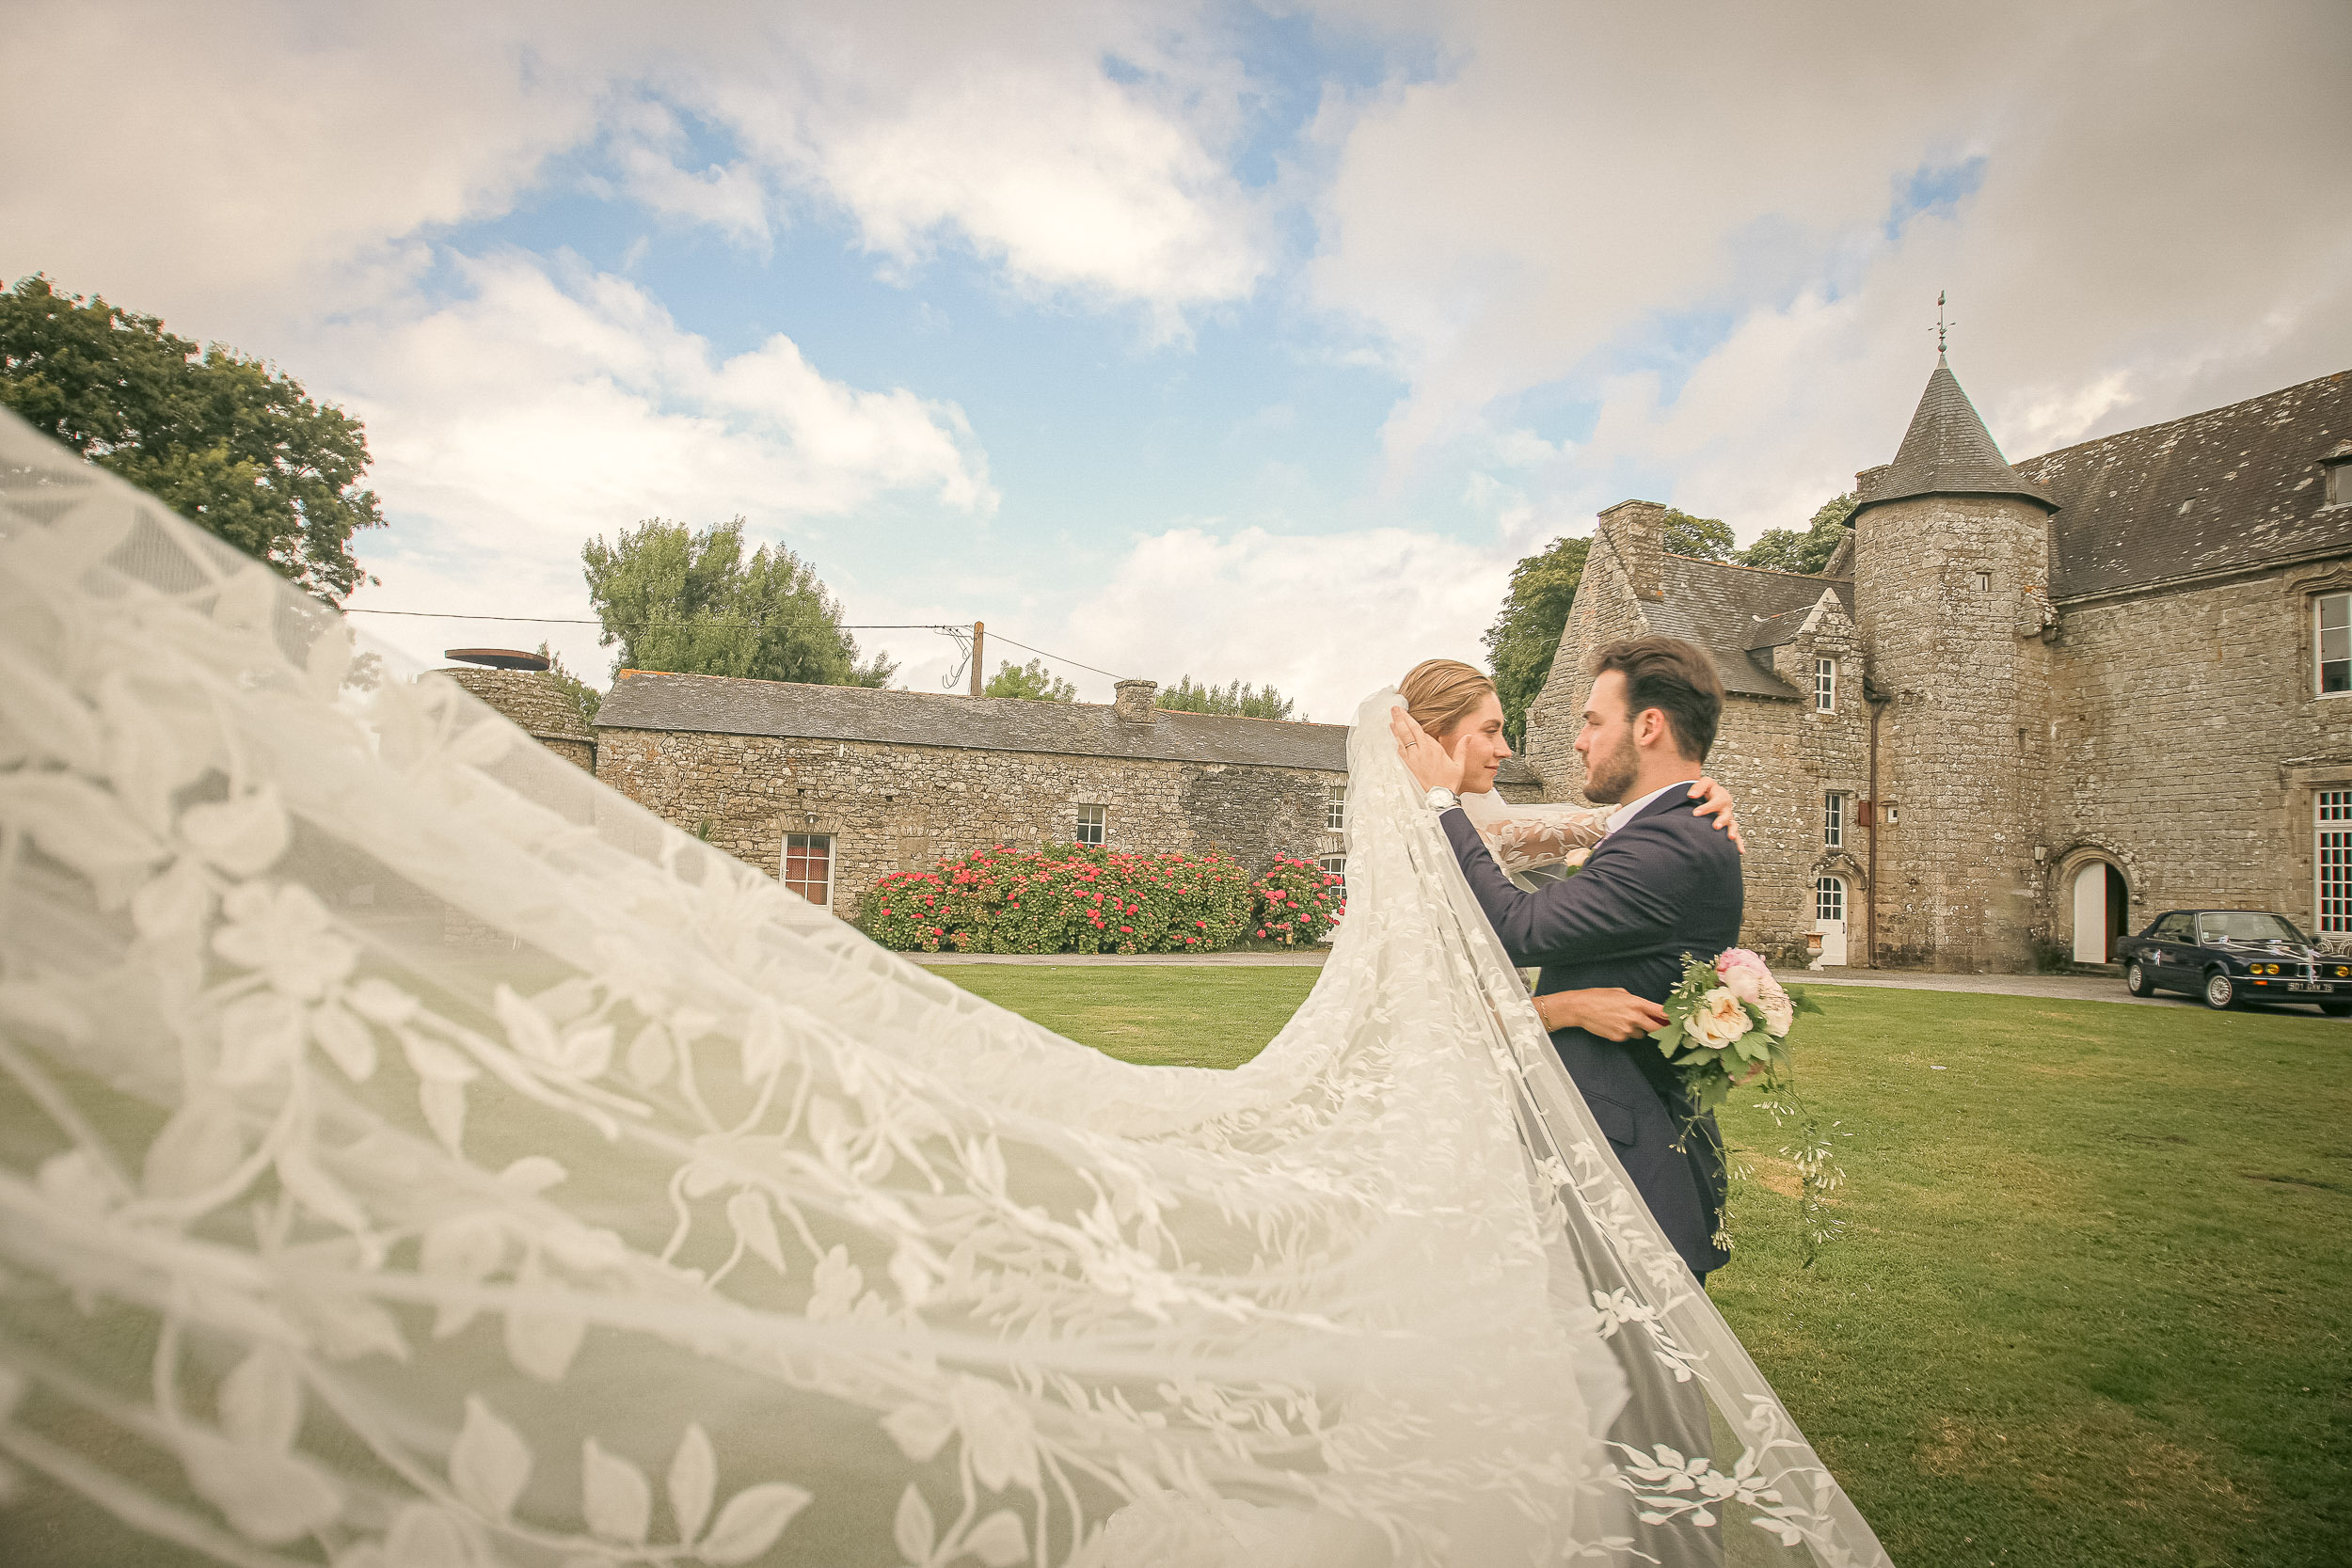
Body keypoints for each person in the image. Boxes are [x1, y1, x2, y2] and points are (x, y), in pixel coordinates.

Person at [0, 411, 1888, 1566]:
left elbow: (1525, 908)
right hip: (1563, 1099)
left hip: (1610, 1132)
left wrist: (1515, 873)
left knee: (1621, 1368)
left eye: (1579, 718)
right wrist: (1541, 909)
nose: (1551, 734)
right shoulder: (1653, 815)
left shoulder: (1687, 825)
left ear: (1650, 724)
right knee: (1594, 1368)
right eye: (1520, 727)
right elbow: (1531, 914)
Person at [1394, 639, 1742, 1284]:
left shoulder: (1669, 841)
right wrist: (1563, 1007)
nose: (1508, 749)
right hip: (1482, 1113)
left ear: (1648, 725)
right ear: (1439, 741)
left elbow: (1604, 841)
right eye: (1492, 731)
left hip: (1581, 1130)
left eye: (1590, 720)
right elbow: (1424, 1020)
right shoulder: (1425, 842)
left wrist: (1690, 792)